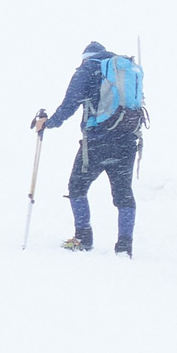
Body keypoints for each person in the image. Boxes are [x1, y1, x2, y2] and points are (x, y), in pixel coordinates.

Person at [32, 41, 145, 254]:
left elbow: (70, 104)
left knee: (77, 186)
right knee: (123, 194)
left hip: (98, 141)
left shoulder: (88, 68)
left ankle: (83, 237)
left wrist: (48, 123)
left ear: (85, 57)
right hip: (127, 141)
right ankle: (124, 246)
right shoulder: (125, 70)